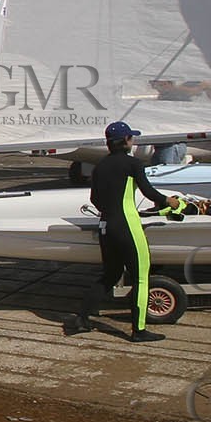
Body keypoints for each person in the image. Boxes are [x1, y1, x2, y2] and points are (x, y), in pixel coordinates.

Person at [69, 121, 182, 343]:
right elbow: (148, 192)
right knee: (141, 277)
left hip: (106, 226)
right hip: (128, 226)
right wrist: (169, 200)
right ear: (127, 141)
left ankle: (82, 319)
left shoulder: (100, 166)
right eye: (132, 138)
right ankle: (139, 330)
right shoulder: (133, 163)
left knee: (110, 275)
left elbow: (94, 199)